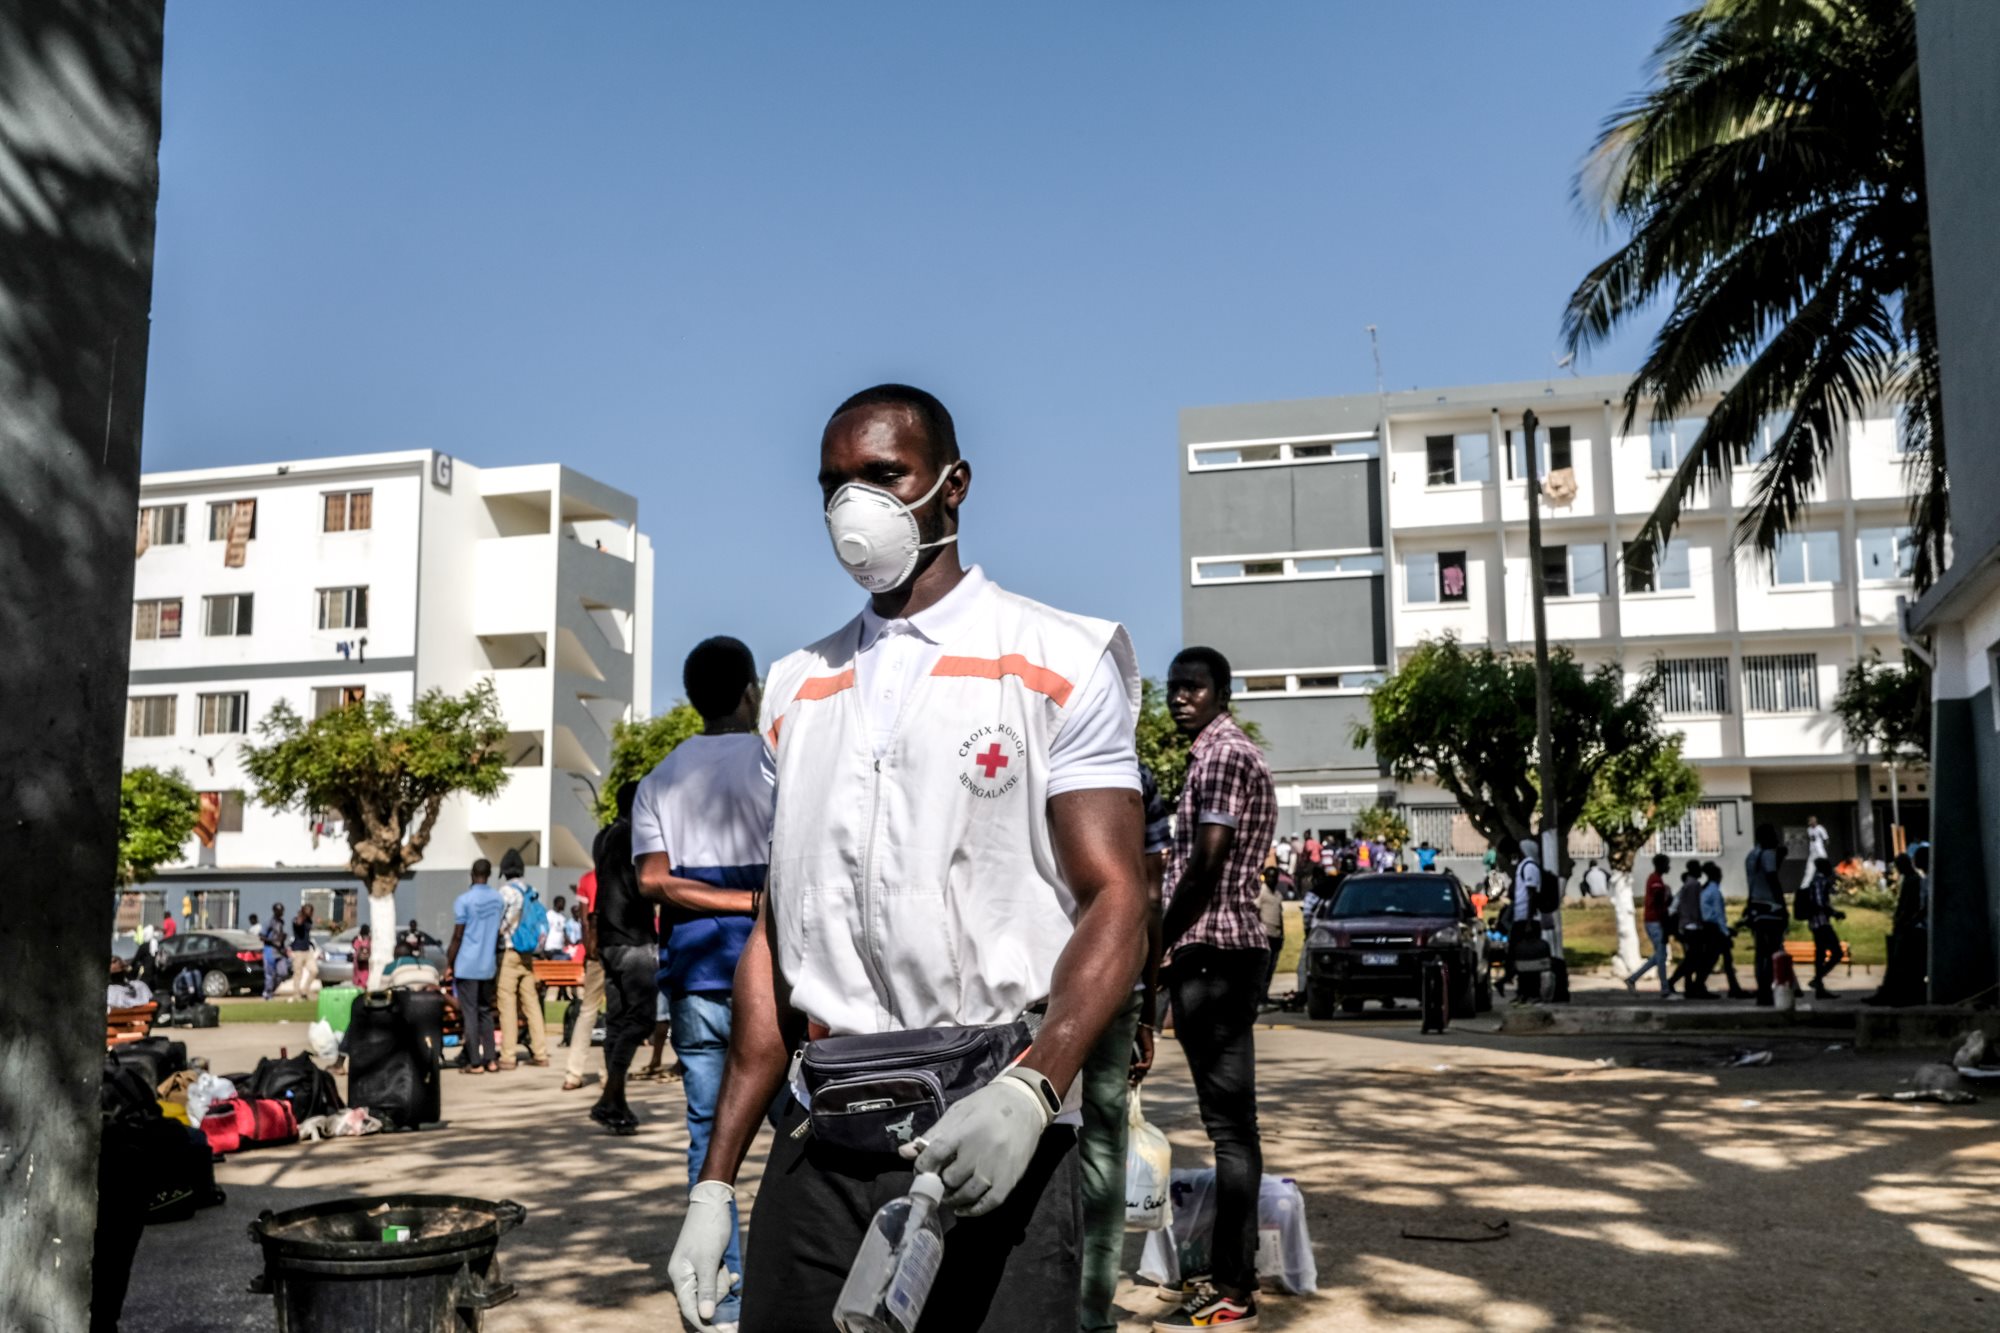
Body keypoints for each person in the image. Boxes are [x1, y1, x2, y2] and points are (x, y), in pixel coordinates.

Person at [666, 385, 1147, 1333]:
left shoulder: (1059, 659)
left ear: (952, 484)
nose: (856, 505)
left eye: (884, 474)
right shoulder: (797, 688)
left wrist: (1034, 1085)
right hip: (824, 1136)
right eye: (834, 483)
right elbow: (776, 933)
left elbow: (1118, 897)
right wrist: (714, 1183)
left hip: (991, 1135)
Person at [632, 637, 775, 1330]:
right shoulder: (778, 764)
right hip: (775, 977)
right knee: (804, 1127)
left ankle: (722, 1301)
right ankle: (801, 1282)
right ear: (750, 691)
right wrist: (753, 901)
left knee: (708, 1136)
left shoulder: (659, 781)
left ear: (693, 699)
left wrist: (720, 900)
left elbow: (654, 880)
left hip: (696, 977)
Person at [1158, 644, 1276, 1330]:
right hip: (1219, 952)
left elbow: (1205, 866)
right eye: (1174, 687)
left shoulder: (1224, 755)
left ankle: (1233, 1289)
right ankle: (1231, 1276)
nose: (1180, 697)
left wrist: (1155, 945)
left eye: (1194, 687)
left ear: (1221, 694)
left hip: (1215, 954)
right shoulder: (1214, 753)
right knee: (1229, 1127)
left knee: (1231, 1130)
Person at [1078, 762, 1168, 1333]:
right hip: (1118, 982)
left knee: (1024, 1137)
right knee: (1102, 1147)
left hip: (1030, 984)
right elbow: (1151, 896)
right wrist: (1149, 1004)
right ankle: (1091, 1313)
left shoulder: (1019, 742)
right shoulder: (1135, 773)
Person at [589, 781, 658, 1125]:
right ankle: (612, 1091)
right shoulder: (634, 836)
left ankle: (615, 1100)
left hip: (609, 939)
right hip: (633, 938)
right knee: (642, 1018)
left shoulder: (602, 837)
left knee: (616, 1020)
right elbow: (644, 885)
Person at [492, 848, 551, 1070]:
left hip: (509, 952)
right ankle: (540, 1053)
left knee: (507, 1003)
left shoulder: (505, 892)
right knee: (531, 1003)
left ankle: (508, 1055)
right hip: (527, 954)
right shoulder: (532, 891)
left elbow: (497, 923)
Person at [444, 860, 504, 1074]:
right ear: (489, 874)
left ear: (472, 874)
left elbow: (458, 935)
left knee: (469, 1014)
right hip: (488, 965)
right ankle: (491, 1059)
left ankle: (475, 1062)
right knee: (485, 1012)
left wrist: (449, 963)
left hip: (467, 964)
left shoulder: (464, 900)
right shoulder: (498, 900)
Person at [562, 867, 608, 1092]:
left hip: (595, 951)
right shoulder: (624, 873)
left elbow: (584, 920)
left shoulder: (588, 879)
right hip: (619, 948)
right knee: (615, 1013)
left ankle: (574, 1073)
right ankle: (609, 1073)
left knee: (587, 1011)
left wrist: (588, 948)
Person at [1742, 824, 1790, 1007]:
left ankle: (1761, 991)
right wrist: (1783, 905)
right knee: (1772, 951)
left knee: (1760, 952)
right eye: (1774, 836)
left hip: (1756, 906)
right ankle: (1767, 990)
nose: (1777, 839)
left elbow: (1756, 880)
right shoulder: (1768, 854)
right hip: (1771, 907)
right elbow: (1772, 878)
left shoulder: (1751, 856)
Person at [1627, 853, 1676, 995]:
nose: (1668, 867)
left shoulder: (1656, 880)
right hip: (1655, 922)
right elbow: (1659, 903)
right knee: (1661, 956)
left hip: (1655, 921)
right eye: (1667, 864)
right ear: (1661, 865)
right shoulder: (1655, 881)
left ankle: (1632, 979)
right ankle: (1664, 988)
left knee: (1660, 955)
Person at [1801, 856, 1846, 999]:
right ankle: (1817, 981)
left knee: (1820, 954)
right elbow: (1820, 903)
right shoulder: (1821, 881)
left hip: (1816, 923)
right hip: (1821, 923)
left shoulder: (1814, 881)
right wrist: (1835, 913)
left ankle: (1819, 985)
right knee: (1836, 952)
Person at [1258, 867, 1286, 1003]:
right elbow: (1256, 911)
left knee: (1272, 967)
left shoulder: (1278, 895)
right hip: (1265, 935)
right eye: (1269, 876)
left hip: (1276, 935)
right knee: (1264, 966)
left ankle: (1265, 994)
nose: (1272, 880)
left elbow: (1280, 916)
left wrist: (1283, 933)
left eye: (1274, 877)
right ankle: (1260, 996)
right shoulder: (1261, 893)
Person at [289, 902, 320, 999]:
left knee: (314, 971)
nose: (311, 913)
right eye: (310, 911)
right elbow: (298, 923)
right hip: (297, 951)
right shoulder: (297, 919)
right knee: (298, 973)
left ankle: (305, 991)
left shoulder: (309, 921)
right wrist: (302, 914)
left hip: (307, 951)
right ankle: (296, 994)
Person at [259, 902, 285, 1000]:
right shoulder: (269, 922)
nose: (281, 912)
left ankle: (271, 989)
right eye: (279, 911)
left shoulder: (281, 922)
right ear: (274, 911)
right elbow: (261, 936)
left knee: (282, 972)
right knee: (270, 974)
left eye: (282, 910)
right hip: (269, 950)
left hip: (279, 951)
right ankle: (267, 993)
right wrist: (273, 941)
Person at [353, 923, 372, 991]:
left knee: (359, 982)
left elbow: (355, 947)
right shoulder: (369, 941)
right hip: (365, 965)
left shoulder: (357, 941)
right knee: (364, 981)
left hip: (358, 965)